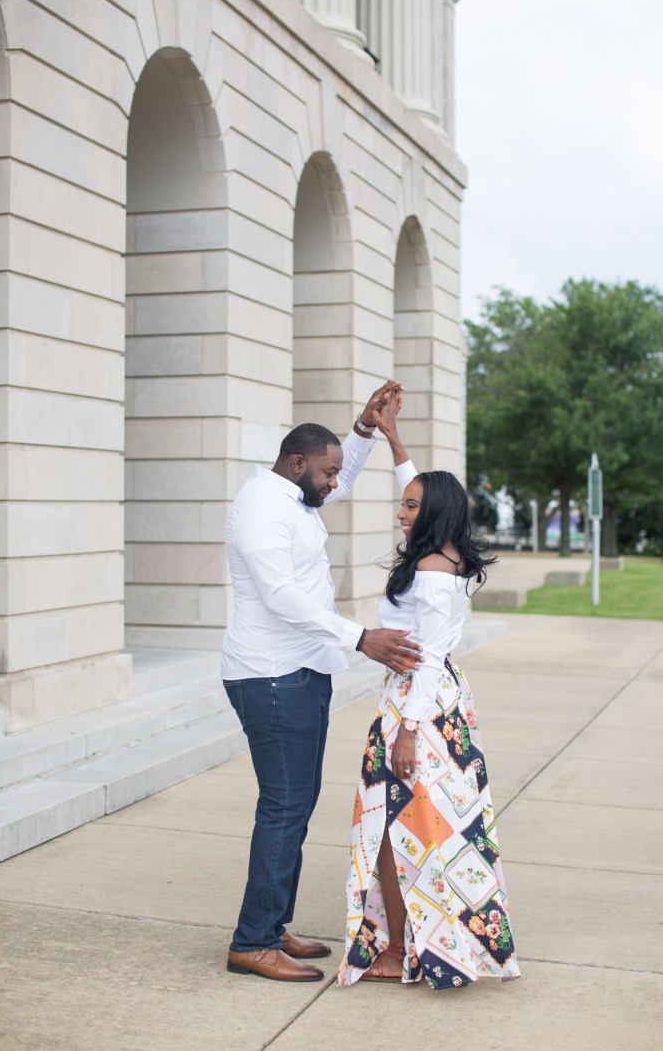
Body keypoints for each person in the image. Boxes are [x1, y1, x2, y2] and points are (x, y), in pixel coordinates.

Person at [222, 380, 423, 983]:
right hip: (272, 677)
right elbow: (281, 596)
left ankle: (272, 923)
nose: (337, 483)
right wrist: (360, 637)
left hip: (300, 673)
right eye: (329, 472)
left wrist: (363, 431)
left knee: (296, 804)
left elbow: (342, 475)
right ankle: (252, 941)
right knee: (284, 807)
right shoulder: (262, 506)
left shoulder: (294, 497)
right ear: (298, 463)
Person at [338, 393, 521, 989]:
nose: (401, 512)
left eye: (410, 507)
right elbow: (420, 485)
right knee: (434, 829)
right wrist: (392, 440)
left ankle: (399, 951)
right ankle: (422, 944)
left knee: (396, 829)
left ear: (433, 512)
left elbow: (429, 656)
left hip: (420, 707)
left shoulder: (430, 577)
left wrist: (408, 733)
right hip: (437, 701)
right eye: (402, 502)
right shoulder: (450, 556)